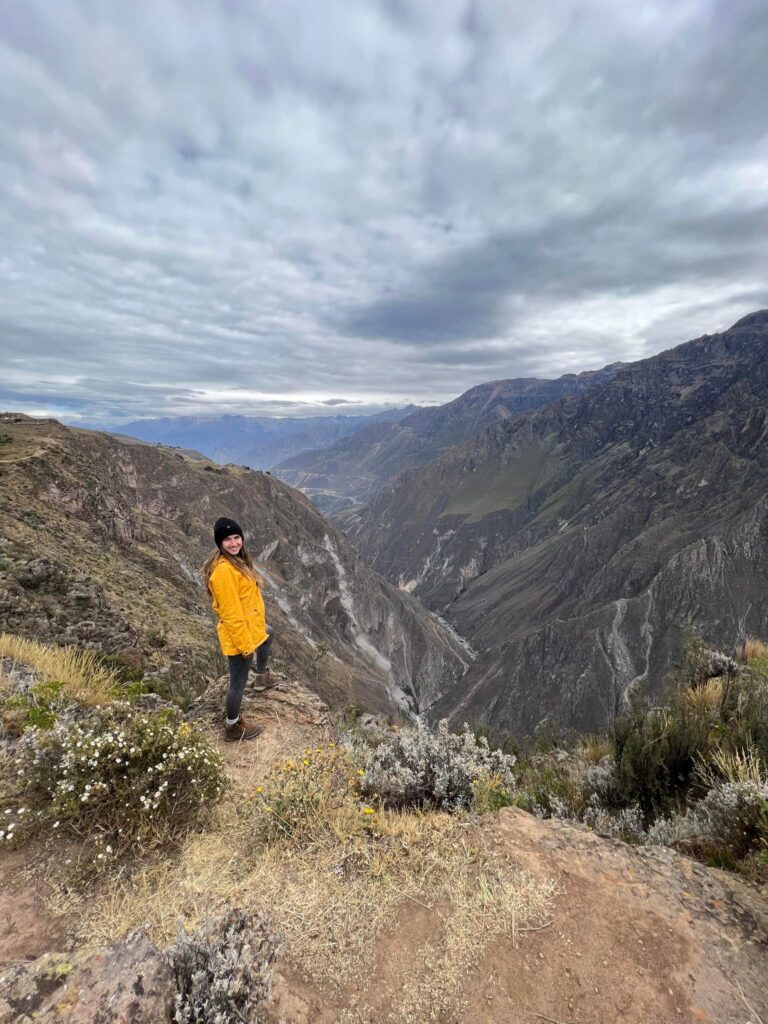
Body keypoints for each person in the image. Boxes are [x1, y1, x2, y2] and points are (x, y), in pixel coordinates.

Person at [202, 517, 275, 741]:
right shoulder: (223, 573)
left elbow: (247, 601)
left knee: (269, 634)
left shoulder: (238, 561)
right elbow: (231, 615)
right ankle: (232, 726)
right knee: (237, 683)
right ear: (219, 543)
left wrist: (257, 625)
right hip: (238, 635)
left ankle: (261, 676)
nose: (234, 543)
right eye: (227, 540)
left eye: (236, 537)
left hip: (249, 626)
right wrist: (245, 647)